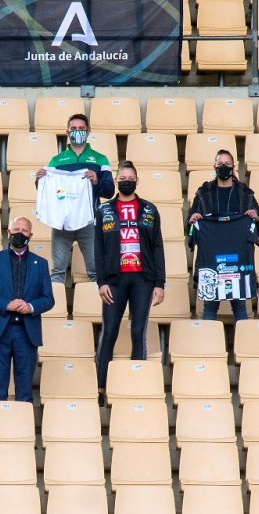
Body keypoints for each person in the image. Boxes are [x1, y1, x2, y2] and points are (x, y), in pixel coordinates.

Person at [92, 162, 165, 400]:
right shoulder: (104, 211)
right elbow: (98, 248)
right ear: (116, 181)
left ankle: (136, 385)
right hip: (114, 280)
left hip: (143, 279)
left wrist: (159, 283)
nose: (126, 180)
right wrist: (101, 281)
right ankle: (101, 388)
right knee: (110, 331)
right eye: (122, 177)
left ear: (137, 180)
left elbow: (157, 247)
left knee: (137, 331)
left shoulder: (149, 210)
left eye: (130, 177)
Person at [0, 216, 55, 402]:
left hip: (27, 334)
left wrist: (31, 307)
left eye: (24, 230)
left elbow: (48, 299)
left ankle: (23, 429)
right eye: (16, 229)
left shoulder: (41, 264)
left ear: (31, 235)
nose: (20, 233)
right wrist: (6, 304)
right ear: (8, 232)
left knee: (25, 390)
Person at [34, 113, 114, 286]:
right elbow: (49, 192)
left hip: (88, 221)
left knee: (95, 271)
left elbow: (109, 192)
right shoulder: (56, 161)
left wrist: (96, 181)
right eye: (74, 129)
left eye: (81, 129)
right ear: (67, 132)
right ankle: (56, 311)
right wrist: (39, 180)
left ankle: (98, 311)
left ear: (88, 131)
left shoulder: (100, 159)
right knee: (57, 271)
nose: (77, 132)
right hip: (61, 221)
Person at [188, 149, 259, 320]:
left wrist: (256, 218)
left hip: (237, 261)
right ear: (214, 166)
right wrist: (193, 221)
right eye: (220, 163)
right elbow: (191, 231)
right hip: (210, 261)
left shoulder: (246, 194)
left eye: (227, 164)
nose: (223, 166)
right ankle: (208, 346)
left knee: (240, 308)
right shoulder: (203, 194)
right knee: (209, 307)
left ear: (234, 167)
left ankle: (244, 345)